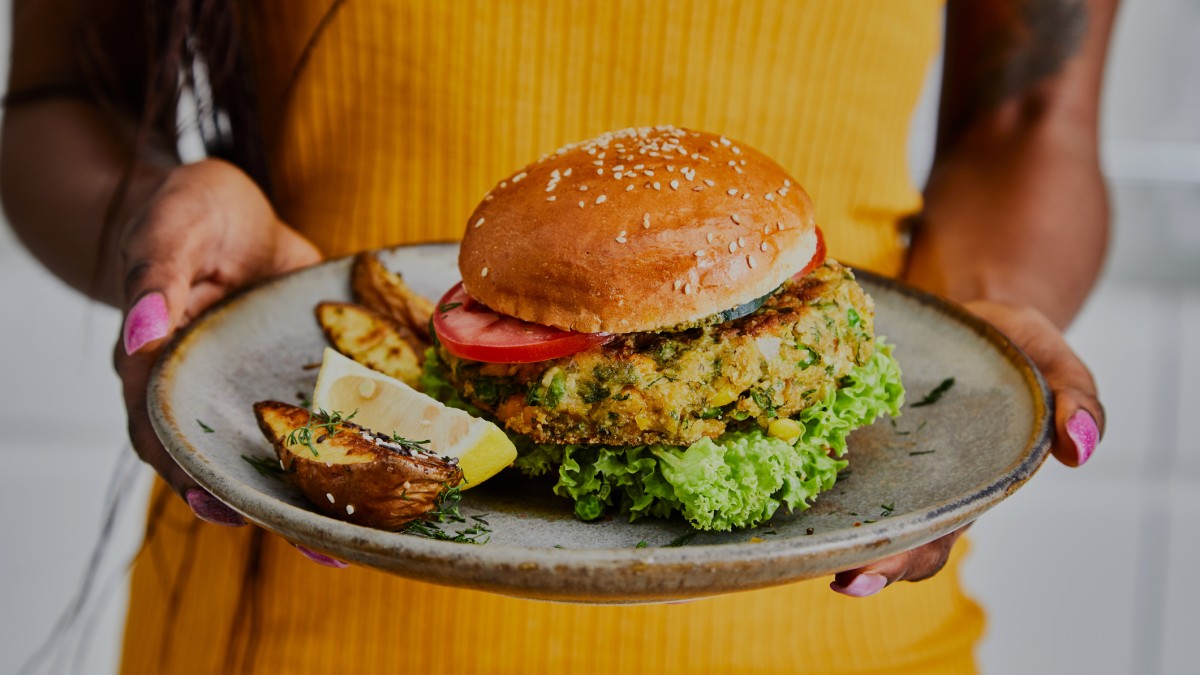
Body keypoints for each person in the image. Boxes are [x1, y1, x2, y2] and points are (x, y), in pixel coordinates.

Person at [2, 0, 1114, 672]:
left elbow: (1029, 120)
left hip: (836, 621)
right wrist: (157, 226)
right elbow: (59, 97)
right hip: (300, 581)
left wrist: (970, 336)